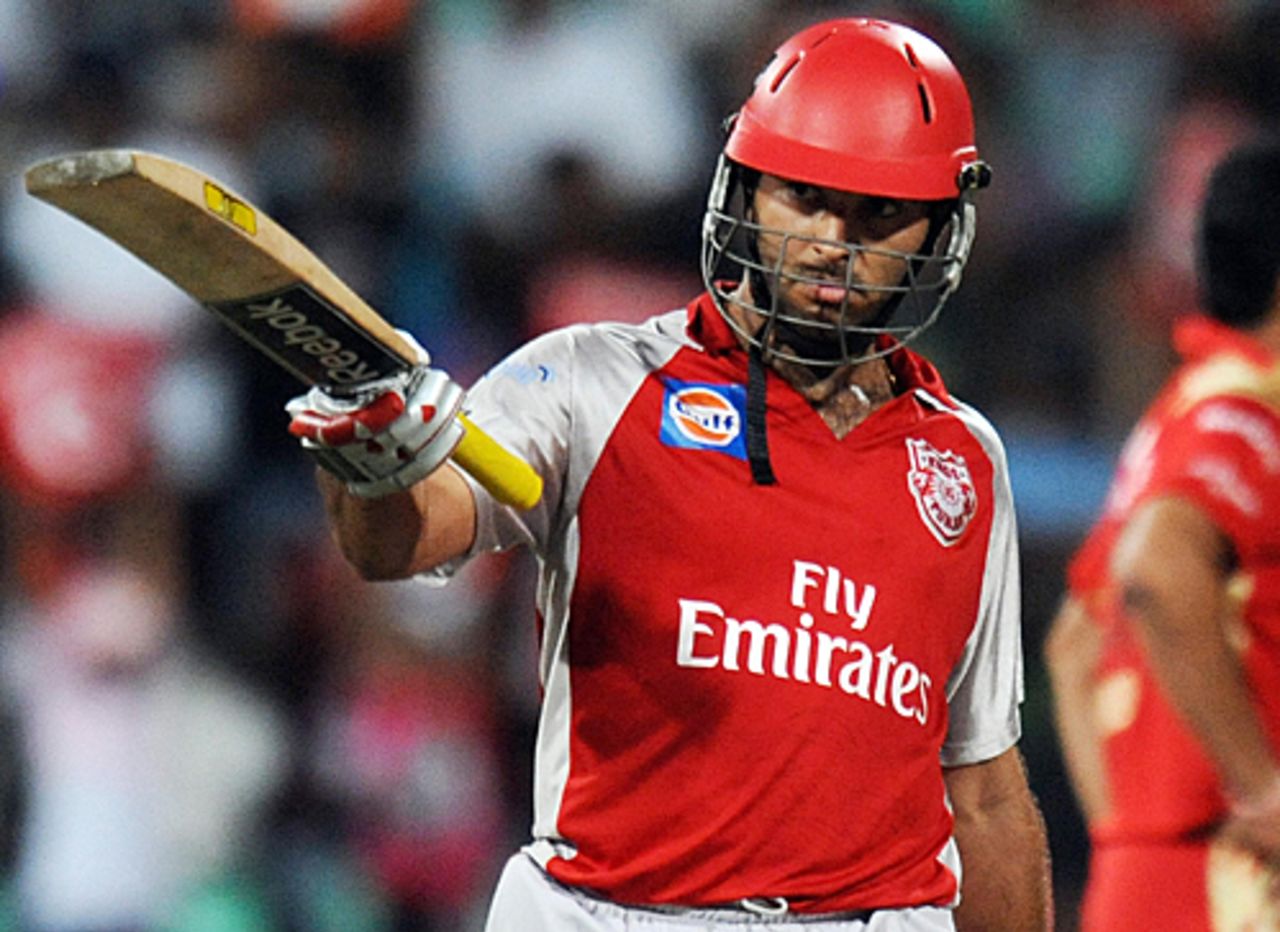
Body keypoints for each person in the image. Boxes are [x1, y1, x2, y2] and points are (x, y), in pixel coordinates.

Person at [287, 17, 1051, 931]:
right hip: (609, 913)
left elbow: (986, 788)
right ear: (745, 188)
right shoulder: (588, 381)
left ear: (942, 227)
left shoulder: (964, 463)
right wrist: (368, 461)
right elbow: (404, 540)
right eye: (803, 197)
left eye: (879, 214)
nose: (833, 244)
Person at [1045, 135, 1280, 930]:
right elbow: (1155, 568)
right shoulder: (1244, 420)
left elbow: (1075, 647)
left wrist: (1130, 846)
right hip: (1232, 884)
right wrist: (1265, 789)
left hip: (1148, 885)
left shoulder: (1174, 417)